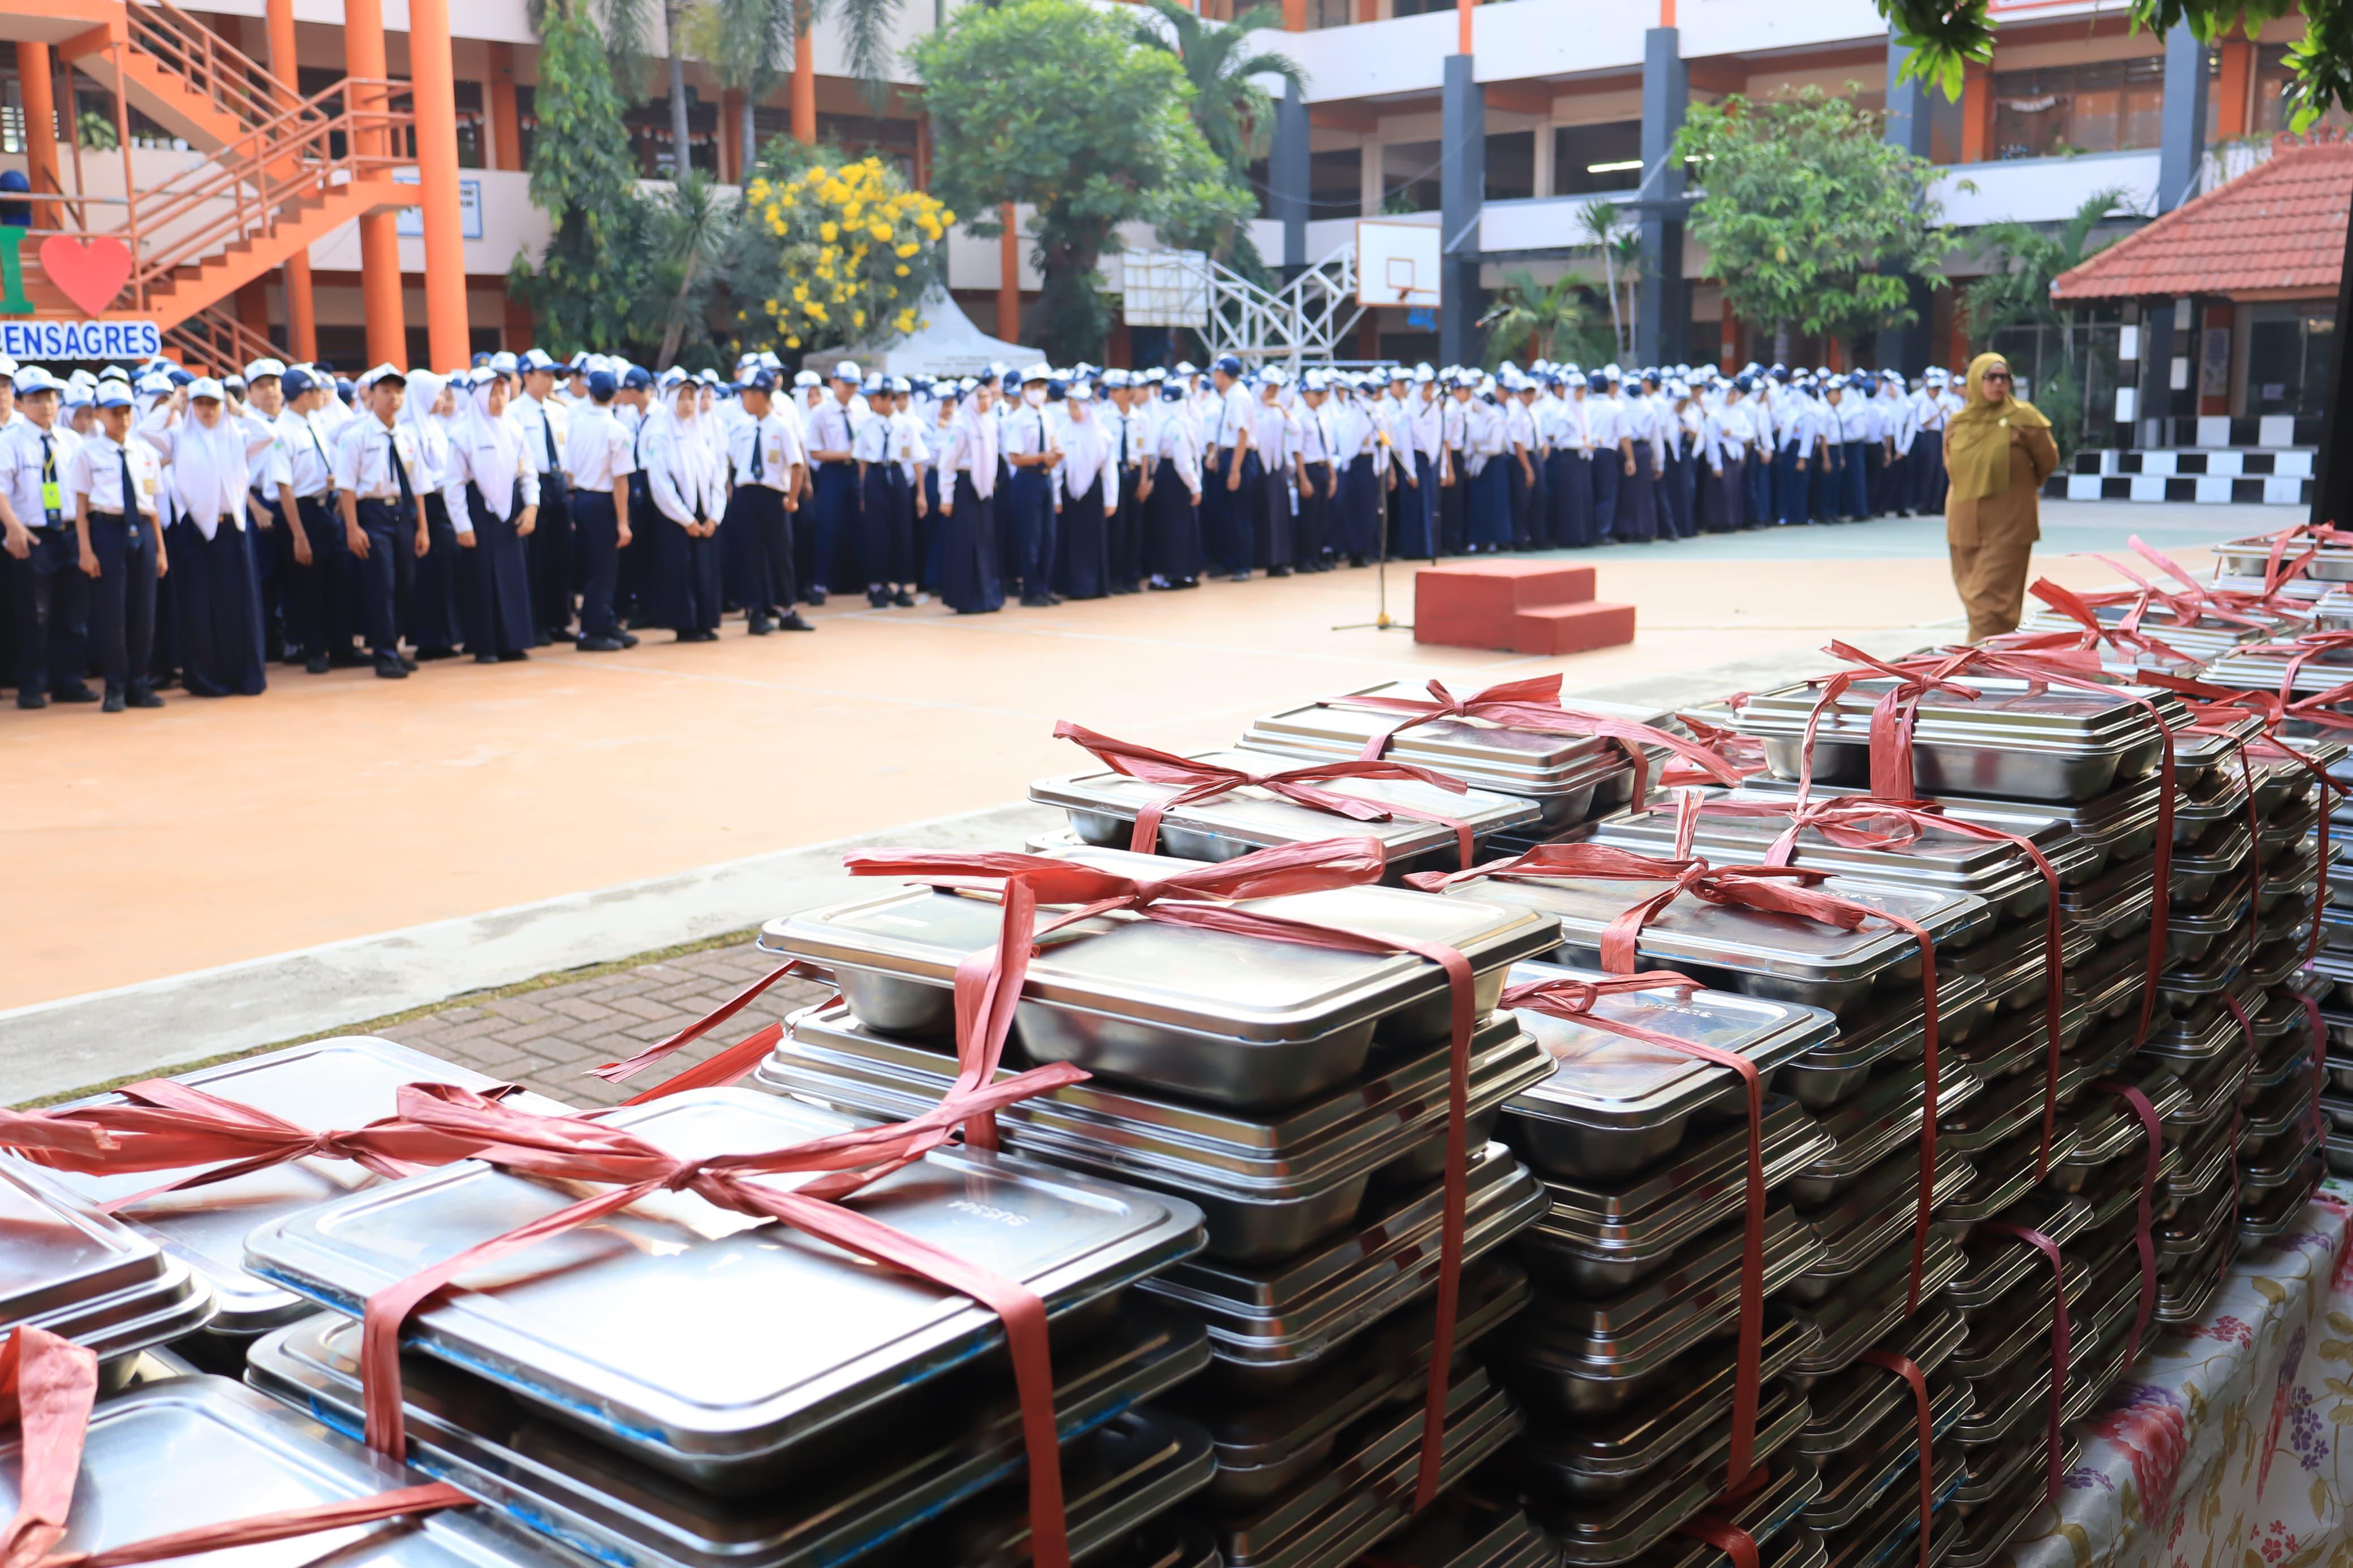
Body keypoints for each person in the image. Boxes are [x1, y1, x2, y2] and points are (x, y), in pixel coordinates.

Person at [141, 374, 275, 696]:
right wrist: (172, 405)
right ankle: (205, 680)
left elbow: (269, 433)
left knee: (240, 607)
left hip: (233, 529)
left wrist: (240, 410)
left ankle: (246, 677)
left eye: (213, 404)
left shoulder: (239, 435)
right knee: (199, 608)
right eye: (200, 404)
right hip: (195, 532)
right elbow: (146, 431)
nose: (207, 411)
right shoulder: (178, 437)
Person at [1943, 351, 2058, 642]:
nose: (1999, 383)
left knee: (1992, 600)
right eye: (1991, 377)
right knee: (1973, 595)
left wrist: (2019, 486)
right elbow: (1950, 466)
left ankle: (1982, 657)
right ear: (1974, 381)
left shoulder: (2024, 418)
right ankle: (1993, 654)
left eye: (2005, 377)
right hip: (1964, 523)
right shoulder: (1959, 422)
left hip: (2009, 521)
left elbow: (2047, 461)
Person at [68, 381, 167, 711]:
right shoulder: (87, 453)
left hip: (143, 530)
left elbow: (152, 504)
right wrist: (85, 550)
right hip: (107, 530)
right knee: (112, 613)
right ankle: (116, 686)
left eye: (126, 412)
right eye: (114, 413)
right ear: (99, 414)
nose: (122, 419)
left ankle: (140, 683)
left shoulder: (145, 452)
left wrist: (161, 550)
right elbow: (81, 506)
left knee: (144, 611)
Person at [0, 366, 90, 707]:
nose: (46, 405)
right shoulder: (9, 442)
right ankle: (32, 686)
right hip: (33, 536)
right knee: (33, 616)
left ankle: (69, 682)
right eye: (37, 399)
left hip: (70, 533)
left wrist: (84, 535)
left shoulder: (72, 441)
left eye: (51, 398)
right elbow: (1, 490)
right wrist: (13, 528)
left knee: (74, 614)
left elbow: (83, 492)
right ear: (21, 403)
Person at [331, 364, 428, 680]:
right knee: (381, 585)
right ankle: (384, 654)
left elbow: (418, 485)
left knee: (406, 583)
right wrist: (352, 527)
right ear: (372, 395)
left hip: (402, 513)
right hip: (372, 513)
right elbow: (346, 485)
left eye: (398, 392)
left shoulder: (408, 436)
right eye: (386, 391)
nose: (393, 398)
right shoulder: (356, 436)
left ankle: (394, 647)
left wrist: (423, 528)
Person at [448, 370, 538, 662]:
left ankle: (514, 642)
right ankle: (485, 645)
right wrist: (462, 525)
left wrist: (532, 507)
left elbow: (528, 472)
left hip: (511, 511)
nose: (500, 399)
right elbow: (454, 485)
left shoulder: (514, 428)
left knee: (513, 576)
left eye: (503, 392)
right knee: (482, 579)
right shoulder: (463, 433)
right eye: (493, 393)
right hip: (479, 512)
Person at [721, 369, 811, 634]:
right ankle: (755, 611)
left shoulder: (781, 426)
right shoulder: (743, 427)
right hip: (746, 495)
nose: (742, 399)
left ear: (760, 395)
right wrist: (730, 490)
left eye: (746, 393)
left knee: (780, 553)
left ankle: (787, 609)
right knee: (750, 553)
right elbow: (731, 461)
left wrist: (792, 499)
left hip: (773, 496)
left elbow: (797, 465)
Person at [562, 368, 641, 650]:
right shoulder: (617, 430)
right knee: (604, 571)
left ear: (591, 393)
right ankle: (592, 632)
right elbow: (620, 480)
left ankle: (604, 623)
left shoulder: (578, 424)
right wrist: (623, 522)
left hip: (582, 499)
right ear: (615, 395)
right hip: (604, 502)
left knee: (595, 567)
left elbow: (570, 471)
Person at [644, 374, 726, 640]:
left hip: (704, 513)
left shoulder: (702, 433)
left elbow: (718, 475)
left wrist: (715, 516)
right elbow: (661, 483)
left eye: (692, 398)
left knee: (705, 569)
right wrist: (685, 518)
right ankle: (685, 626)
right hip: (677, 517)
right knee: (681, 569)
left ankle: (705, 622)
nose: (688, 404)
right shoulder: (661, 435)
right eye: (682, 398)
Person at [401, 370, 471, 661]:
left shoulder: (433, 427)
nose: (442, 399)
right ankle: (430, 640)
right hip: (424, 508)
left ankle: (447, 636)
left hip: (442, 506)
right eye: (438, 393)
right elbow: (418, 477)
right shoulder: (409, 430)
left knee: (447, 573)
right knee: (429, 577)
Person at [510, 349, 571, 645]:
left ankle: (559, 621)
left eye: (552, 375)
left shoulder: (559, 411)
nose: (551, 380)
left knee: (561, 554)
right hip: (533, 486)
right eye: (545, 374)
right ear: (527, 376)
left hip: (559, 484)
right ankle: (538, 623)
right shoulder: (514, 413)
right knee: (537, 557)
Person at [934, 378, 1004, 614]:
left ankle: (988, 597)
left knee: (985, 542)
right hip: (965, 488)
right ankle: (966, 599)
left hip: (984, 490)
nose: (986, 402)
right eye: (981, 397)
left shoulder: (990, 423)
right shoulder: (961, 426)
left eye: (988, 397)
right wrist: (946, 497)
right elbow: (947, 464)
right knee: (966, 543)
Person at [802, 363, 864, 604]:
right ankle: (820, 583)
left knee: (858, 525)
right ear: (834, 382)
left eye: (854, 385)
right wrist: (844, 454)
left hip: (857, 471)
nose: (851, 389)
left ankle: (856, 581)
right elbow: (814, 451)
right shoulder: (821, 413)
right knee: (828, 527)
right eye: (847, 384)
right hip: (832, 473)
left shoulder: (861, 409)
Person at [1054, 382, 1119, 599]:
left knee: (1092, 539)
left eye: (1076, 407)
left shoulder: (1102, 434)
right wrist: (1056, 497)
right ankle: (1071, 586)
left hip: (1093, 492)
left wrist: (1111, 500)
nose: (1073, 412)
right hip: (1069, 493)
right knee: (1071, 539)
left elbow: (1109, 471)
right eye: (1070, 407)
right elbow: (1057, 469)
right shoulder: (1063, 432)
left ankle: (1094, 586)